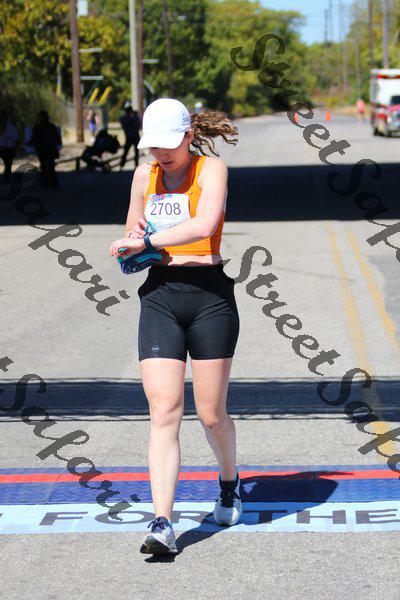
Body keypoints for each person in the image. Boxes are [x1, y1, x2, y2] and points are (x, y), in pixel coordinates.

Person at [109, 98, 241, 555]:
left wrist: (147, 238)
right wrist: (130, 244)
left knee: (211, 414)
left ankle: (229, 483)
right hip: (160, 296)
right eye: (153, 146)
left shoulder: (212, 170)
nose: (161, 154)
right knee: (164, 410)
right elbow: (133, 228)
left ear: (189, 136)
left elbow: (205, 224)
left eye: (169, 144)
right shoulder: (142, 176)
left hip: (209, 297)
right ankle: (162, 522)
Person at [28, 111, 61, 188]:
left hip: (42, 151)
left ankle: (45, 183)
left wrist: (27, 144)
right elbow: (58, 140)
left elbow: (33, 139)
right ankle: (53, 183)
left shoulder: (37, 128)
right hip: (49, 150)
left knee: (44, 167)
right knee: (50, 167)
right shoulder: (51, 127)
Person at [119, 103, 141, 170]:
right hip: (130, 136)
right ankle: (122, 165)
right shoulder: (125, 118)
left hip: (134, 136)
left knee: (135, 152)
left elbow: (138, 126)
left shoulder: (133, 117)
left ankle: (135, 165)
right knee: (126, 151)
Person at [0, 110, 19, 184]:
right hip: (1, 148)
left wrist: (16, 148)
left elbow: (15, 138)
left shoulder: (10, 127)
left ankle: (6, 179)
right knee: (7, 165)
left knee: (8, 165)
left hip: (9, 149)